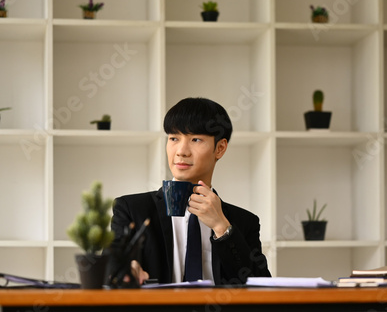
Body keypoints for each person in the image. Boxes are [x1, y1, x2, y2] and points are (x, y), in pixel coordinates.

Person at [110, 97, 271, 285]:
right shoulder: (131, 209)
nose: (181, 151)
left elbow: (261, 287)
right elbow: (110, 270)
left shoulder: (244, 222)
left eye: (195, 139)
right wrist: (125, 270)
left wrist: (222, 228)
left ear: (219, 148)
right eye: (174, 138)